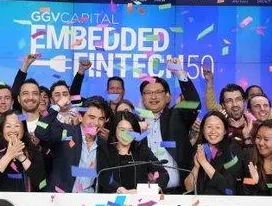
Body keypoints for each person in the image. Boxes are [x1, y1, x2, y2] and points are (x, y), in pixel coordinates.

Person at [138, 57, 200, 192]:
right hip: (145, 192)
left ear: (168, 97)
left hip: (178, 191)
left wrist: (180, 73)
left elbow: (194, 103)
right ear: (142, 98)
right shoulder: (135, 124)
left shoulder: (176, 115)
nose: (153, 97)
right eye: (148, 93)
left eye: (158, 92)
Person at [35, 96, 113, 193]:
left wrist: (120, 189)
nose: (96, 123)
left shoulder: (103, 144)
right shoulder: (67, 133)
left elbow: (105, 177)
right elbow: (40, 131)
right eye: (92, 117)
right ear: (80, 117)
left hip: (88, 201)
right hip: (61, 200)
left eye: (101, 119)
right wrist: (57, 107)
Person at [98, 110, 169, 192]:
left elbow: (163, 174)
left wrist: (152, 190)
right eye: (122, 130)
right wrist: (120, 189)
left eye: (130, 131)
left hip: (139, 201)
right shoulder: (105, 150)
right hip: (113, 201)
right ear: (114, 130)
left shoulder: (143, 151)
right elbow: (104, 177)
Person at [185, 111, 244, 195]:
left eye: (218, 127)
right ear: (203, 129)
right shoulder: (199, 148)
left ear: (224, 131)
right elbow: (188, 188)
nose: (213, 131)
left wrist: (204, 163)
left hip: (224, 204)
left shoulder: (233, 149)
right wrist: (196, 167)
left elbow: (228, 188)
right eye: (209, 127)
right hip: (200, 205)